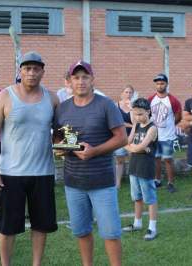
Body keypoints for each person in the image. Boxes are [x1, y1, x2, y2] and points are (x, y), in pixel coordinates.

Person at [0, 52, 58, 266]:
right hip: (11, 173)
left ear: (42, 72)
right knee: (7, 227)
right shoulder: (5, 97)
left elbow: (63, 133)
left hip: (43, 172)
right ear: (20, 71)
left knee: (41, 225)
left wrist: (69, 147)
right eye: (27, 68)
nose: (32, 73)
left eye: (36, 69)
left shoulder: (52, 99)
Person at [54, 60, 127, 266]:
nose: (80, 81)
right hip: (73, 182)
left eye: (84, 77)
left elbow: (122, 138)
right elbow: (58, 138)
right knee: (81, 231)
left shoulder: (106, 105)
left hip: (102, 181)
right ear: (69, 81)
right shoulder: (62, 109)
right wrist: (61, 147)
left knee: (111, 233)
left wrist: (94, 151)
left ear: (92, 79)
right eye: (76, 77)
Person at [123, 98, 158, 240]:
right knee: (137, 197)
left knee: (149, 198)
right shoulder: (136, 125)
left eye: (140, 114)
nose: (138, 117)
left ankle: (152, 228)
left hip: (145, 168)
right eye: (136, 114)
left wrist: (130, 148)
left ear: (148, 112)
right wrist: (133, 127)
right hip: (134, 167)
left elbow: (139, 147)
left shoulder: (152, 128)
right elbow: (127, 141)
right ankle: (137, 223)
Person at [148, 74, 181, 193]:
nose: (159, 85)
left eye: (162, 83)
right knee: (156, 158)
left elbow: (178, 117)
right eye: (157, 83)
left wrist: (169, 126)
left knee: (167, 159)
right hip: (154, 136)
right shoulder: (151, 99)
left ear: (166, 84)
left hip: (167, 136)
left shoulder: (173, 100)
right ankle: (157, 180)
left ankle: (171, 182)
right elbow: (148, 115)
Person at [114, 85, 134, 188]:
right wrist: (132, 125)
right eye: (126, 92)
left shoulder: (134, 107)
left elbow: (137, 121)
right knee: (119, 160)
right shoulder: (116, 106)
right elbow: (118, 122)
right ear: (122, 94)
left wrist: (131, 108)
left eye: (130, 92)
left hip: (133, 136)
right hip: (120, 137)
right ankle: (118, 183)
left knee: (133, 159)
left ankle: (133, 182)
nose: (128, 94)